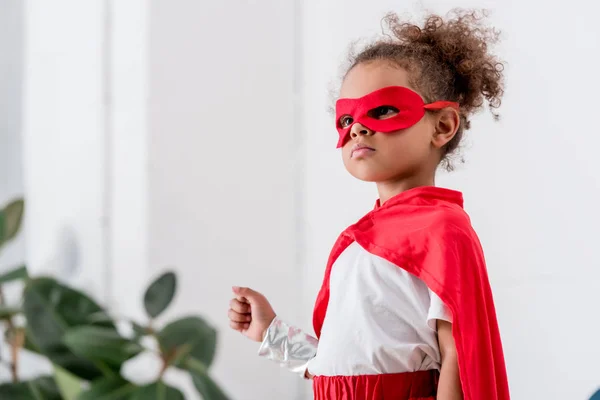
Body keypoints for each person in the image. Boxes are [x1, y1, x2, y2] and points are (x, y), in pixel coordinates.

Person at [228, 9, 509, 400]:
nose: (358, 127)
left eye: (384, 110)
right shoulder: (361, 242)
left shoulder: (442, 231)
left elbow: (459, 358)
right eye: (346, 119)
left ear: (442, 126)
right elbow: (346, 367)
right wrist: (271, 333)